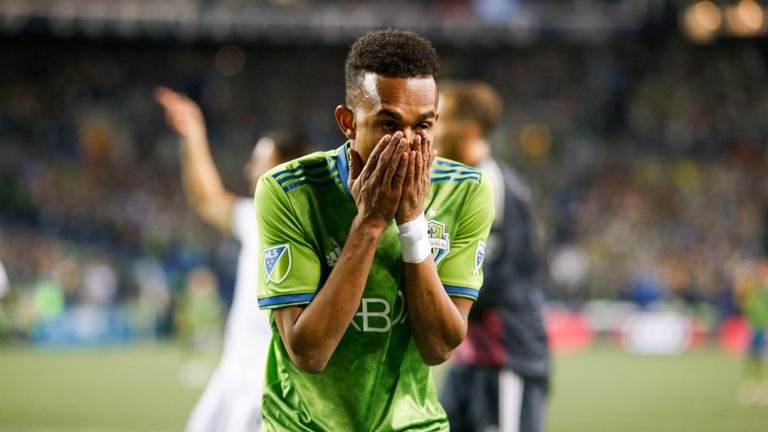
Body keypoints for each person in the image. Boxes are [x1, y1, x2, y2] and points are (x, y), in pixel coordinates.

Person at [254, 29, 494, 431]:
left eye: (424, 125)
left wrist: (413, 224)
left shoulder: (465, 191)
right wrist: (370, 223)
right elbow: (309, 354)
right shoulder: (288, 191)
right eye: (389, 124)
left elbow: (438, 347)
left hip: (412, 424)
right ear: (348, 123)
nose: (409, 143)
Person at [154, 87, 311, 432]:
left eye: (259, 161)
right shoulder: (256, 218)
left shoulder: (313, 230)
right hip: (232, 376)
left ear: (285, 169)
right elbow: (207, 198)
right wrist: (193, 133)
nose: (248, 168)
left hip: (268, 386)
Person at [435, 81, 551, 432]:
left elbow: (495, 279)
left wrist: (423, 297)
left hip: (505, 355)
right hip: (471, 354)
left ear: (467, 130)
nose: (431, 130)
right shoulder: (459, 182)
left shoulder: (488, 184)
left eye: (438, 119)